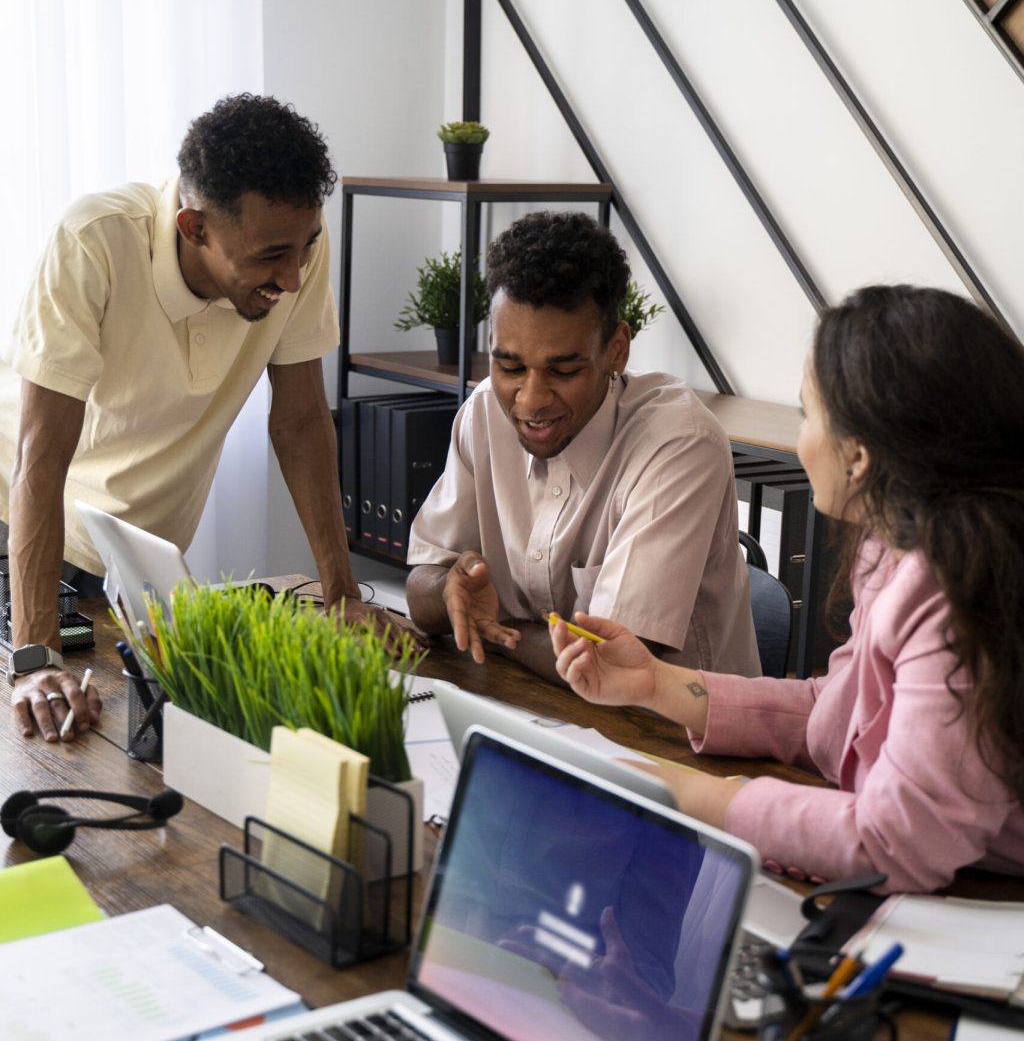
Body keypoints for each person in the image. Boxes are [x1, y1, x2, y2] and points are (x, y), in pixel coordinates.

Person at [551, 284, 1024, 894]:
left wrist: (700, 796)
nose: (802, 439)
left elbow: (895, 843)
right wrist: (653, 683)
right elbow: (842, 711)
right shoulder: (893, 547)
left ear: (859, 456)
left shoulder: (962, 595)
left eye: (808, 414)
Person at [0, 93, 399, 744]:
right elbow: (39, 460)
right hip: (20, 529)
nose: (294, 277)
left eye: (307, 246)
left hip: (125, 559)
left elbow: (299, 423)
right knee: (35, 745)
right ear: (193, 228)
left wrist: (343, 596)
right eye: (272, 255)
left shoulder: (294, 250)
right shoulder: (94, 241)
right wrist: (35, 658)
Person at [406, 211, 759, 683]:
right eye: (510, 367)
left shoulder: (679, 444)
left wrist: (497, 629)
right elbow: (422, 583)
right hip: (539, 704)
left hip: (679, 739)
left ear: (616, 350)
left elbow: (610, 664)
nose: (530, 399)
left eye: (563, 371)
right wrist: (448, 589)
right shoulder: (483, 413)